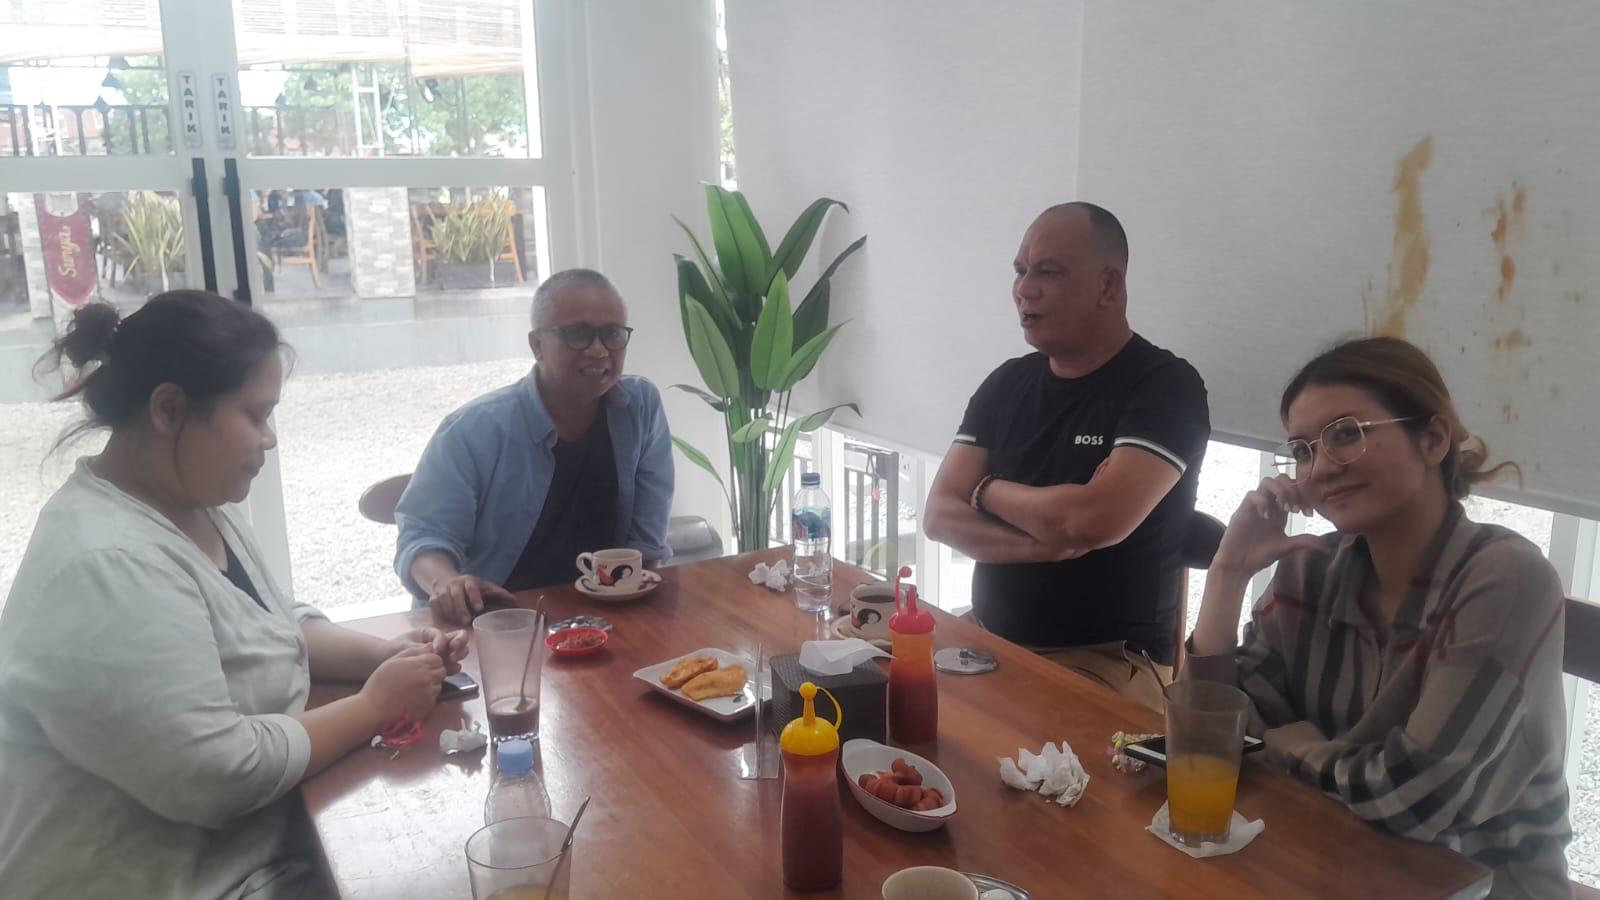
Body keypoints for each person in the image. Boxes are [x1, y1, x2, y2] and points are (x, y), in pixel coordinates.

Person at [0, 292, 467, 899]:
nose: (268, 439)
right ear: (169, 409)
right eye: (255, 414)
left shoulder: (188, 504)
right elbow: (215, 774)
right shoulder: (106, 563)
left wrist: (383, 656)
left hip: (254, 851)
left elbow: (268, 621)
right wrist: (376, 705)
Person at [1187, 337, 1568, 898]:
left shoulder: (1505, 579)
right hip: (1319, 861)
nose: (1319, 469)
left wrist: (1285, 746)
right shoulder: (1310, 568)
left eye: (1346, 434)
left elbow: (1416, 801)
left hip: (1476, 887)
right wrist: (1227, 574)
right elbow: (1209, 736)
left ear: (1433, 439)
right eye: (1302, 451)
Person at [923, 202, 1210, 710]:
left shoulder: (1165, 386)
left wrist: (986, 491)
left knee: (990, 753)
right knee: (882, 704)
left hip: (1104, 659)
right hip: (986, 636)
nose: (1024, 289)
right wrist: (1045, 542)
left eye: (1048, 272)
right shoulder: (1007, 382)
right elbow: (940, 517)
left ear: (1108, 286)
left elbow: (1091, 521)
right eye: (1020, 271)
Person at [396, 269, 674, 624]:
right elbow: (422, 536)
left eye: (613, 334)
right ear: (537, 345)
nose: (598, 350)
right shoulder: (472, 430)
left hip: (602, 615)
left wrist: (645, 624)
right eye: (577, 334)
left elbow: (646, 545)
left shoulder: (639, 407)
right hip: (493, 621)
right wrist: (446, 582)